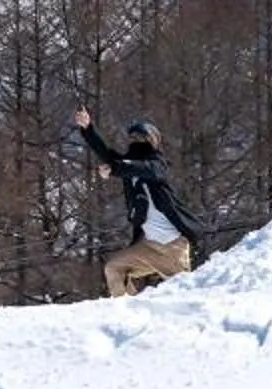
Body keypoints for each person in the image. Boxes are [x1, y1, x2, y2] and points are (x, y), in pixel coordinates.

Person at [76, 106, 203, 296]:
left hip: (173, 248)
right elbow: (108, 154)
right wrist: (88, 128)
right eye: (133, 139)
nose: (136, 142)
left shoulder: (157, 164)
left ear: (152, 141)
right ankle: (126, 313)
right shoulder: (129, 170)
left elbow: (143, 168)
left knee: (184, 295)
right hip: (148, 246)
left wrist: (116, 169)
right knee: (114, 268)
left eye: (141, 139)